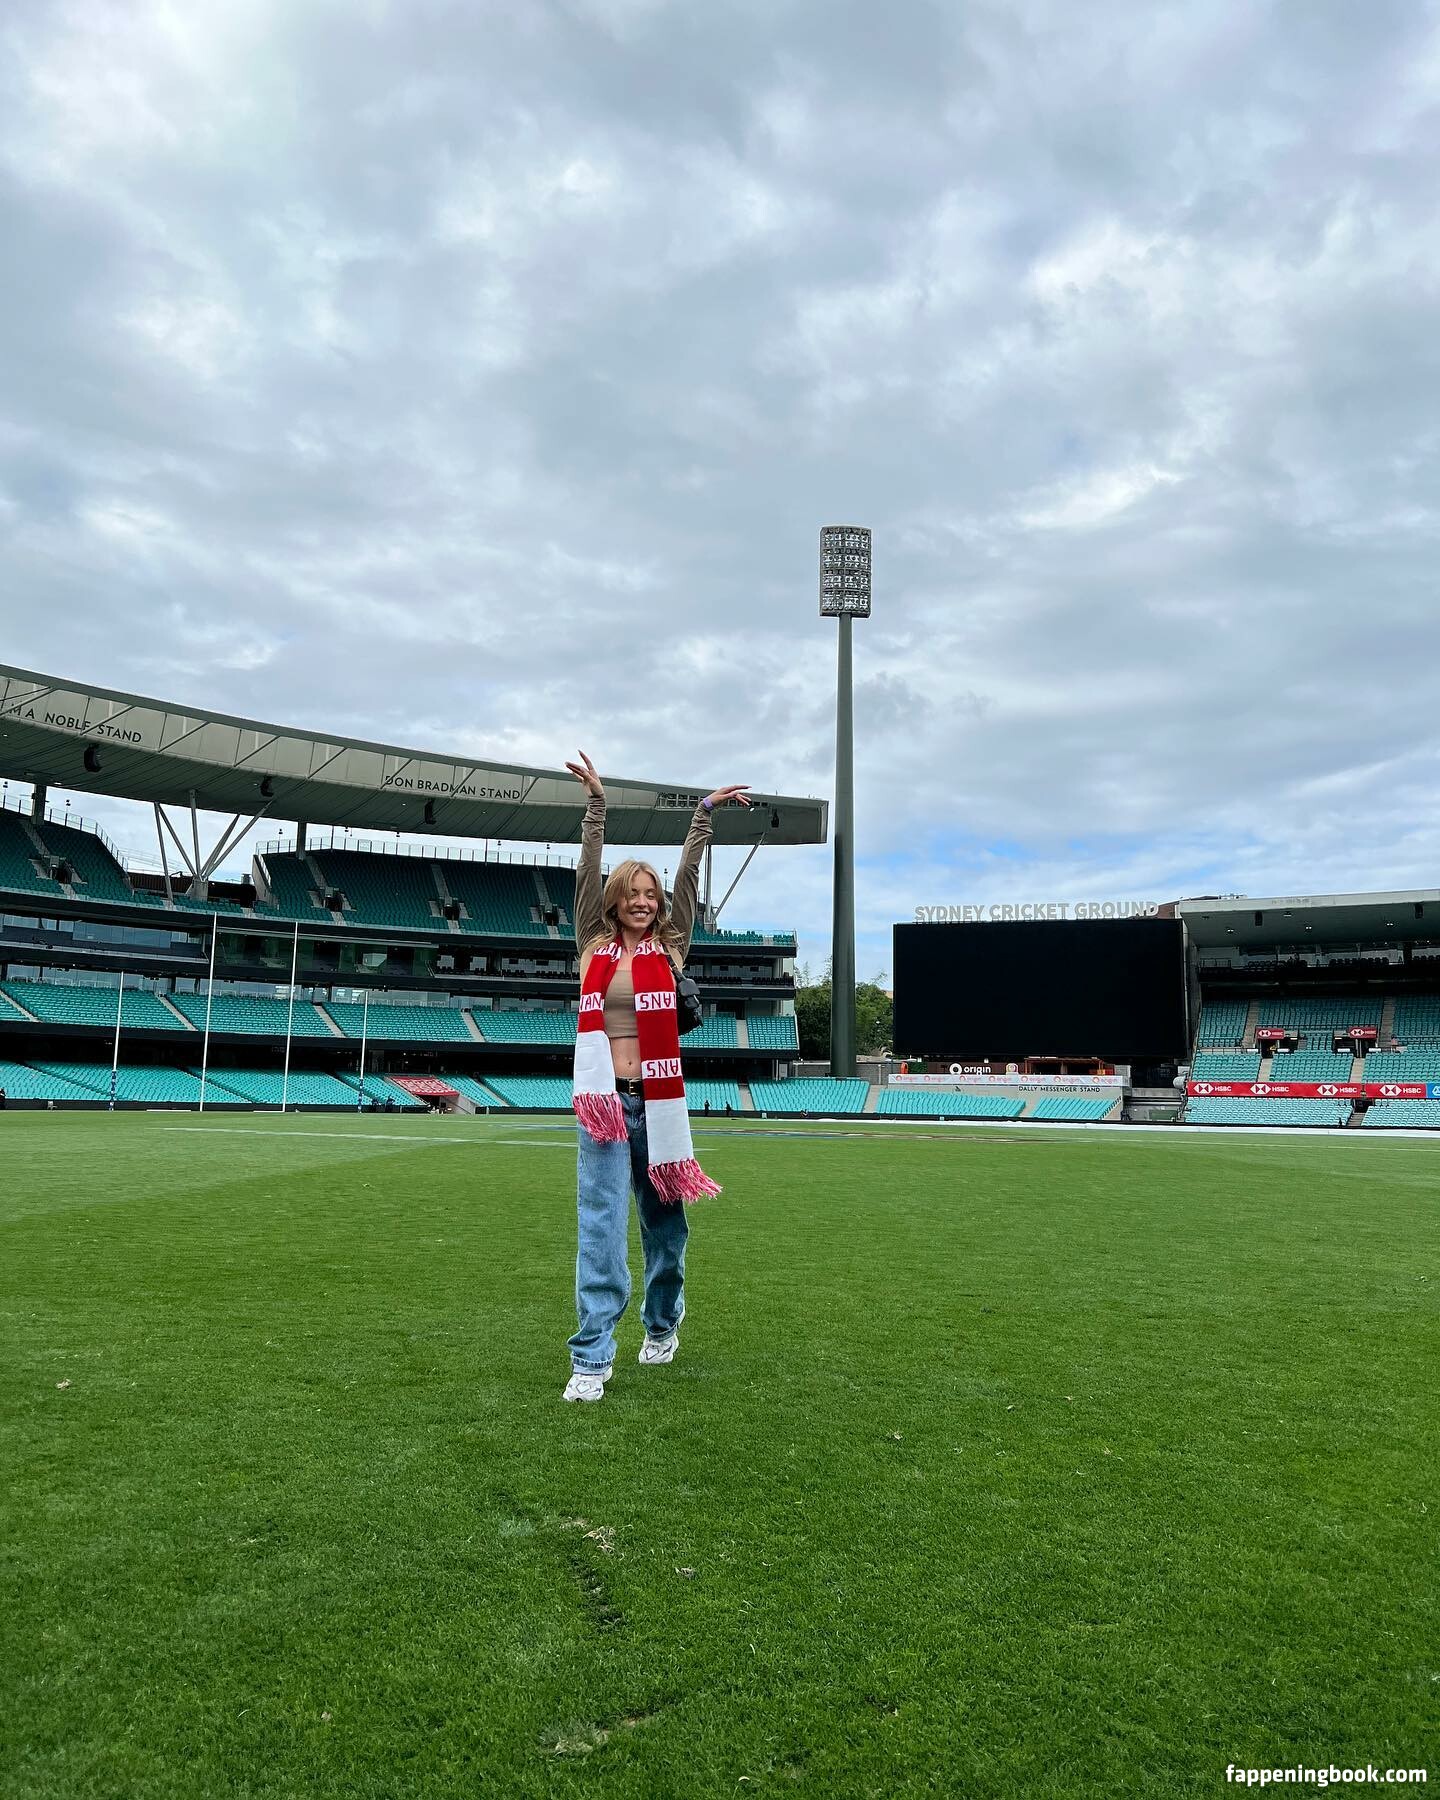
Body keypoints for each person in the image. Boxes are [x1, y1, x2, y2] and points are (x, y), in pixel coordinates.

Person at [562, 750, 751, 1403]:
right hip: (604, 1106)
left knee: (666, 1232)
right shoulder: (592, 944)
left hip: (657, 1105)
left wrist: (703, 815)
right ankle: (591, 1357)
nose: (643, 902)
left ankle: (662, 1322)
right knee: (600, 1230)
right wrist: (596, 806)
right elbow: (586, 869)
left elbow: (689, 878)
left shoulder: (671, 948)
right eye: (633, 894)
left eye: (651, 895)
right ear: (615, 901)